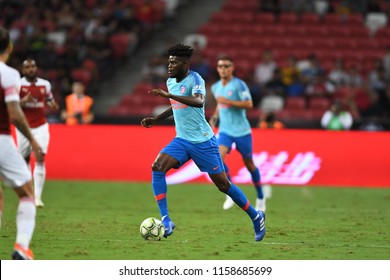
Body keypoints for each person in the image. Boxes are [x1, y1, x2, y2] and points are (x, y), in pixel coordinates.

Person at [140, 44, 266, 241]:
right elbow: (176, 105)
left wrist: (170, 95)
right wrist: (156, 119)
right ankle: (166, 219)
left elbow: (198, 101)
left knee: (224, 185)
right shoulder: (170, 81)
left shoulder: (195, 79)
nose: (169, 65)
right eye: (169, 62)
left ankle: (256, 216)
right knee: (157, 167)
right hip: (182, 140)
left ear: (185, 63)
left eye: (174, 62)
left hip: (203, 141)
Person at [0, 26, 43, 260]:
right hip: (2, 140)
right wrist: (32, 138)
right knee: (27, 192)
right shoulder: (8, 74)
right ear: (9, 47)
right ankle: (22, 248)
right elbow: (15, 114)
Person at [209, 56, 266, 212]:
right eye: (220, 66)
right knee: (218, 159)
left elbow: (249, 104)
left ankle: (260, 196)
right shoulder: (215, 87)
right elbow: (220, 106)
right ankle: (230, 191)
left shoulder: (239, 85)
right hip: (225, 131)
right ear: (218, 68)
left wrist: (229, 101)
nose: (223, 69)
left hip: (242, 132)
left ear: (232, 67)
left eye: (226, 66)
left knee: (249, 164)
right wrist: (214, 119)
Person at [17, 58, 59, 207]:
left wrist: (52, 104)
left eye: (32, 66)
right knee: (24, 160)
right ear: (23, 70)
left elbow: (49, 99)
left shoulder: (45, 84)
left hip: (41, 125)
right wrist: (24, 100)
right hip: (23, 127)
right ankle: (28, 193)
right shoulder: (18, 84)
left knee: (40, 156)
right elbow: (12, 105)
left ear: (36, 68)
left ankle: (37, 197)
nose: (30, 69)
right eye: (27, 67)